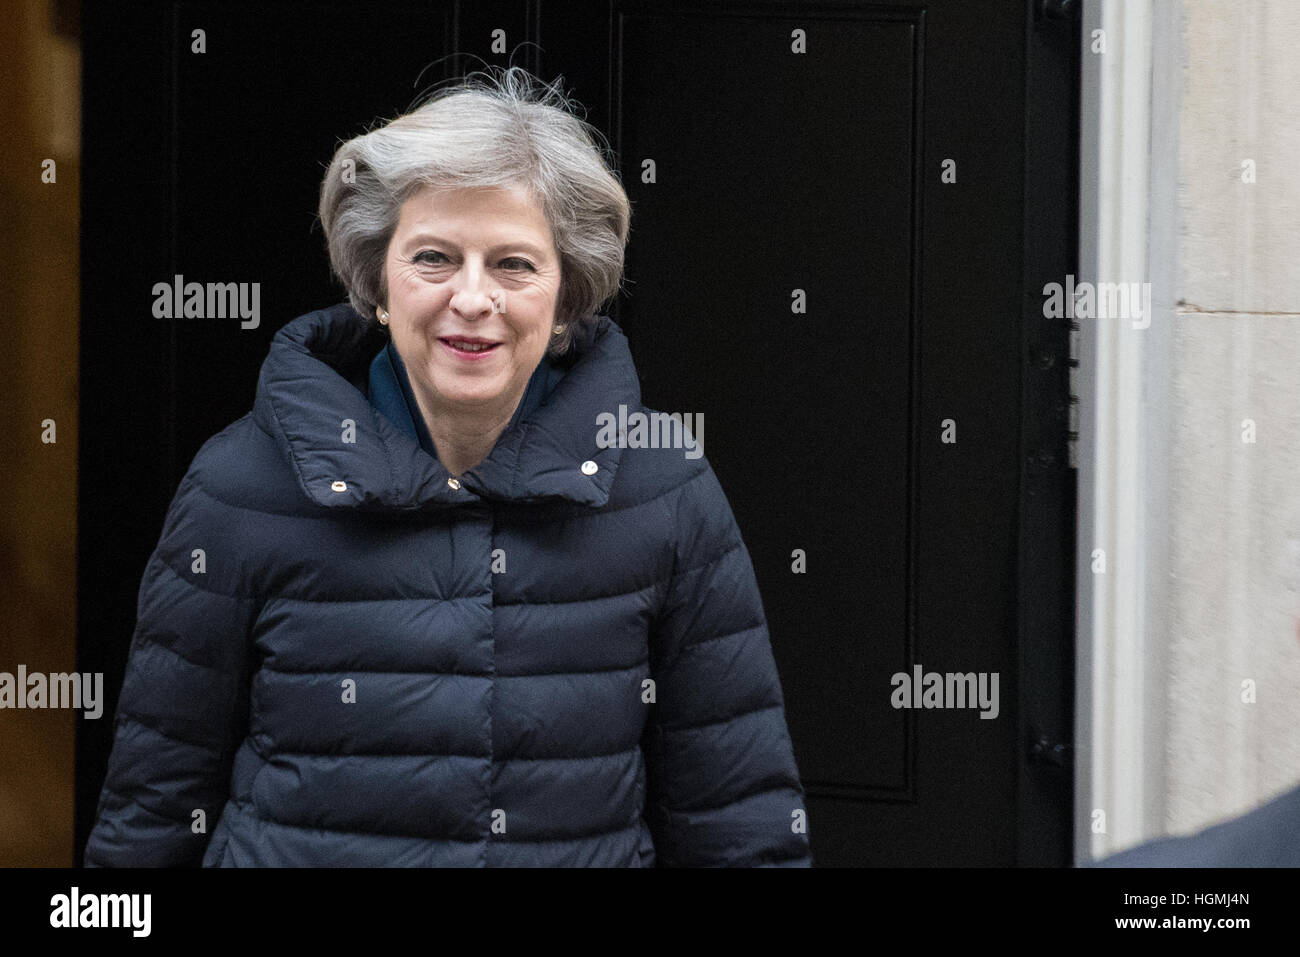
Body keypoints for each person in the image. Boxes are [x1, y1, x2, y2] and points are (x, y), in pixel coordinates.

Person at [83, 66, 812, 867]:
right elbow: (151, 816)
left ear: (566, 295)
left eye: (514, 264)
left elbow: (738, 823)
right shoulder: (240, 486)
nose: (473, 297)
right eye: (434, 257)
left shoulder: (665, 490)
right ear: (376, 281)